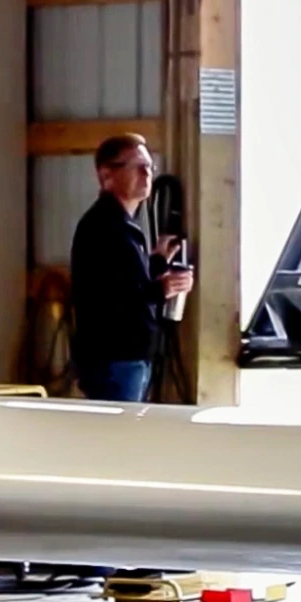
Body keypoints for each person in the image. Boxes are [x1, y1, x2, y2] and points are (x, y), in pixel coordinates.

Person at [69, 134, 193, 403]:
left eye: (149, 167)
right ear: (107, 175)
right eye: (137, 166)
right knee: (116, 439)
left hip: (123, 359)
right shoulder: (107, 228)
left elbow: (126, 279)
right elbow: (115, 298)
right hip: (115, 360)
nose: (147, 174)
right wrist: (164, 288)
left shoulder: (119, 226)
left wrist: (158, 261)